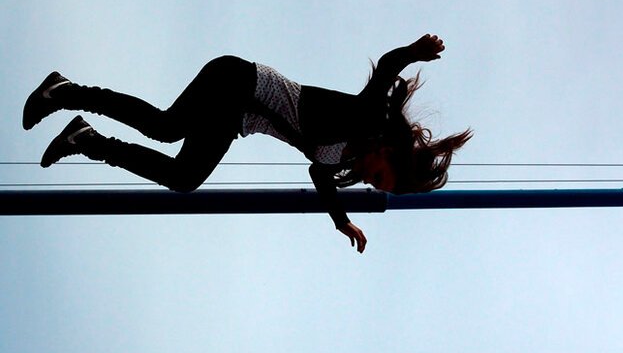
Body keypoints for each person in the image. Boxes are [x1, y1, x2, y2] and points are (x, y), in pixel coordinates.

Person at [23, 34, 471, 253]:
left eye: (375, 184)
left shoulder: (345, 160)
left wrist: (341, 221)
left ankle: (85, 136)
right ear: (389, 152)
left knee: (183, 175)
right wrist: (414, 51)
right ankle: (66, 95)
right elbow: (387, 68)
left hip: (236, 114)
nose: (369, 180)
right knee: (166, 128)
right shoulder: (367, 119)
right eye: (379, 176)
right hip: (239, 82)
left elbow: (318, 175)